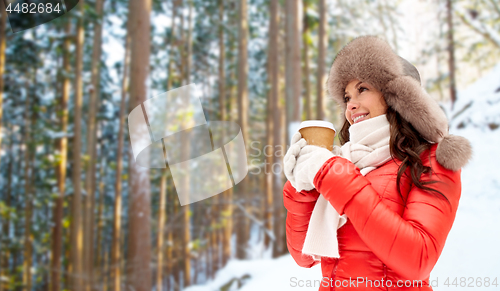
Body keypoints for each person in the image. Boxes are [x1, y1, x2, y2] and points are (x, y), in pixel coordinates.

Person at [283, 36, 473, 291]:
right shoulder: (345, 161)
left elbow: (418, 259)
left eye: (362, 89)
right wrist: (303, 183)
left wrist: (330, 174)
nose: (351, 105)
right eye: (346, 97)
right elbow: (303, 257)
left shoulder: (431, 160)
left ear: (397, 97)